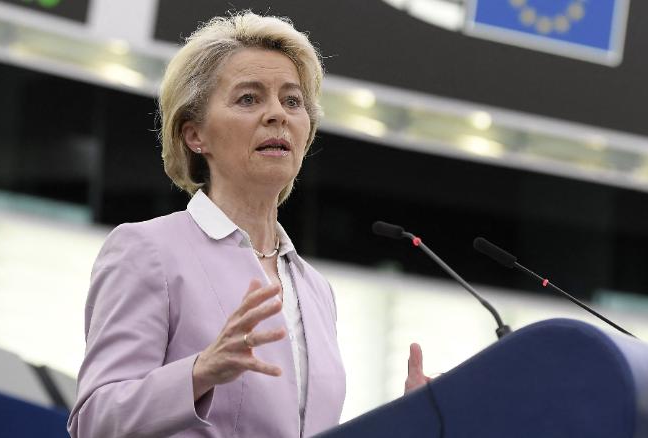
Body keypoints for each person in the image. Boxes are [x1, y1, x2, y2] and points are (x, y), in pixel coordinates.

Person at [67, 11, 430, 438]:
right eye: (249, 98)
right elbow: (94, 420)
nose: (278, 115)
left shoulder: (316, 289)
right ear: (194, 135)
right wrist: (200, 371)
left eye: (292, 101)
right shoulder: (147, 250)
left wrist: (408, 425)